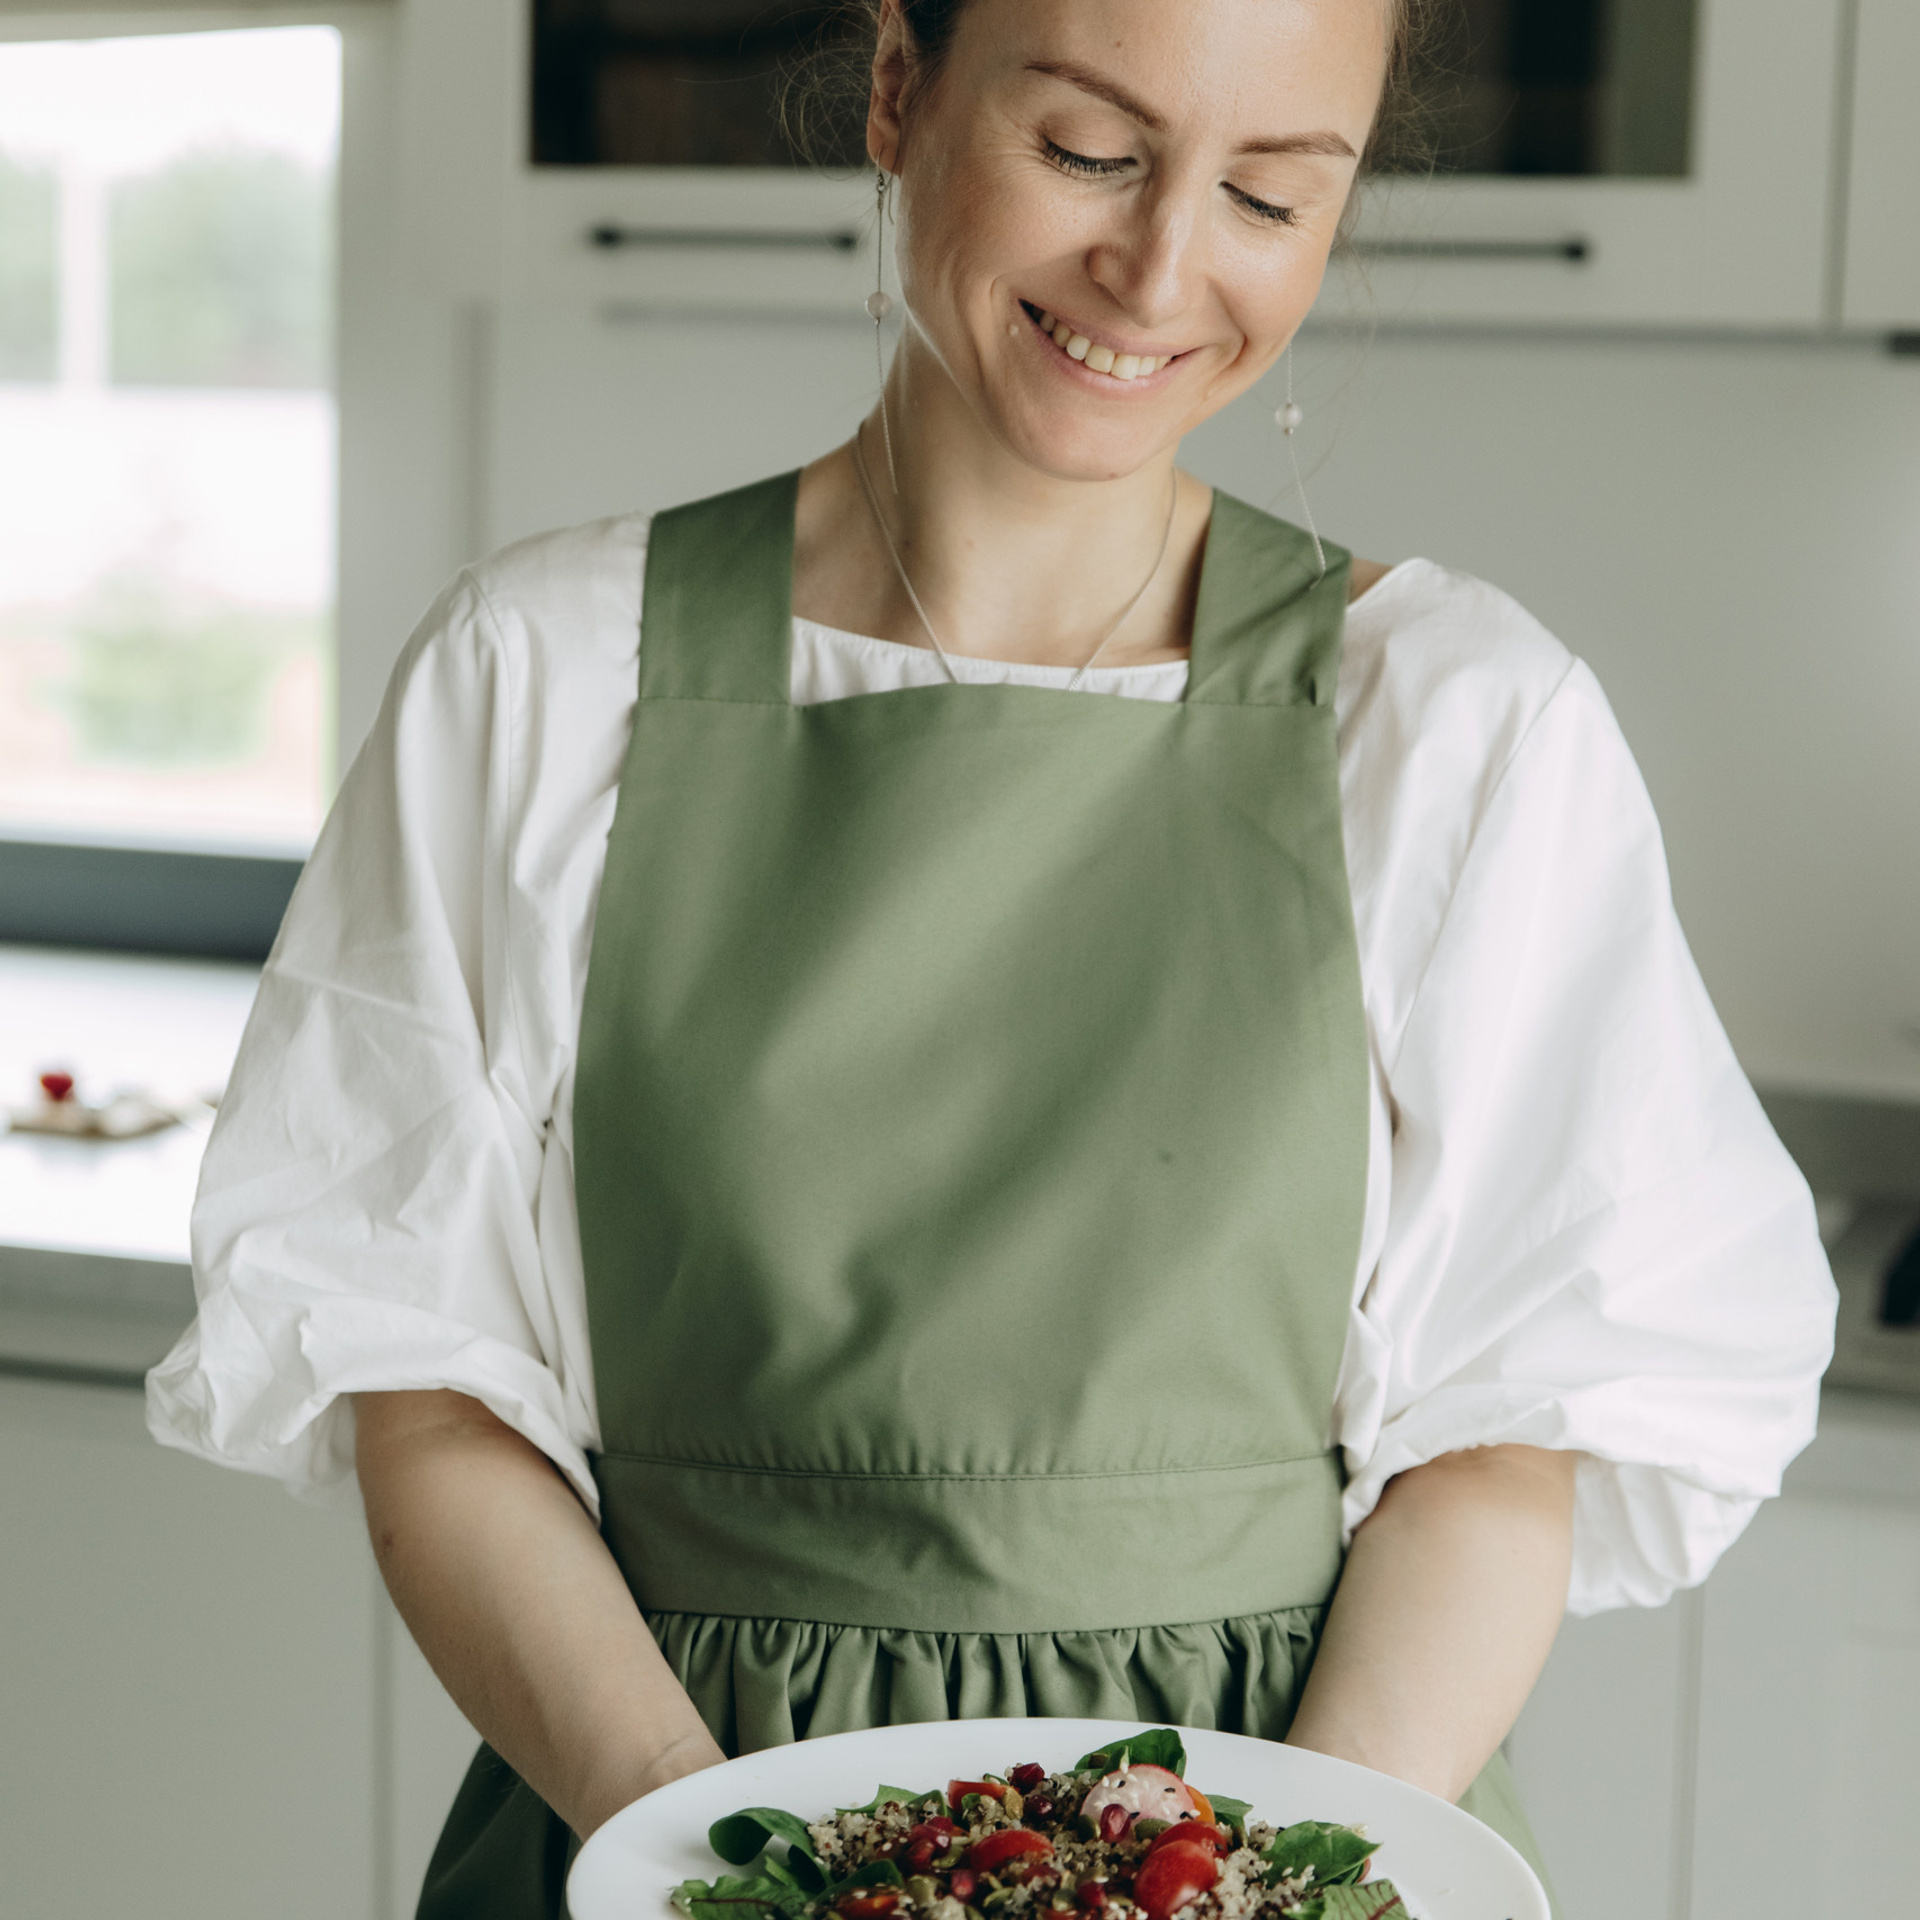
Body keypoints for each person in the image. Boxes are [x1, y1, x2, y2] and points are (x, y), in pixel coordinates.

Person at [147, 1, 1837, 1914]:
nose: (1162, 265)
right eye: (1091, 154)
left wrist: (1257, 1876)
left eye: (1273, 195)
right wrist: (737, 1868)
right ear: (898, 86)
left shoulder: (1455, 725)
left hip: (1267, 1842)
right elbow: (422, 1385)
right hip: (660, 1817)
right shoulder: (541, 680)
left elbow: (1510, 1436)